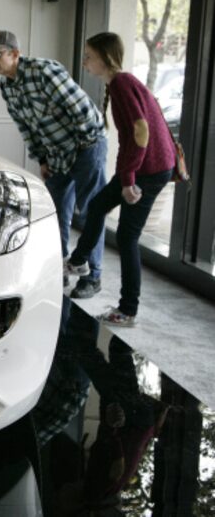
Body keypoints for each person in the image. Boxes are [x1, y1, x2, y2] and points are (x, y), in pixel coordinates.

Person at [0, 30, 107, 299]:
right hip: (56, 155)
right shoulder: (6, 86)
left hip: (86, 147)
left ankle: (93, 276)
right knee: (56, 214)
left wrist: (83, 148)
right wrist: (43, 159)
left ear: (15, 54)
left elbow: (81, 110)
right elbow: (26, 127)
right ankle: (59, 271)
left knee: (91, 212)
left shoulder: (44, 71)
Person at [65, 32, 175, 327]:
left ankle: (127, 311)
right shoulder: (119, 84)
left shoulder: (123, 84)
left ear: (104, 57)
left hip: (149, 172)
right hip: (142, 167)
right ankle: (79, 260)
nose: (85, 61)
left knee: (127, 238)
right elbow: (129, 137)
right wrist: (124, 174)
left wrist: (128, 180)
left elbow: (140, 132)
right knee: (98, 204)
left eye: (89, 56)